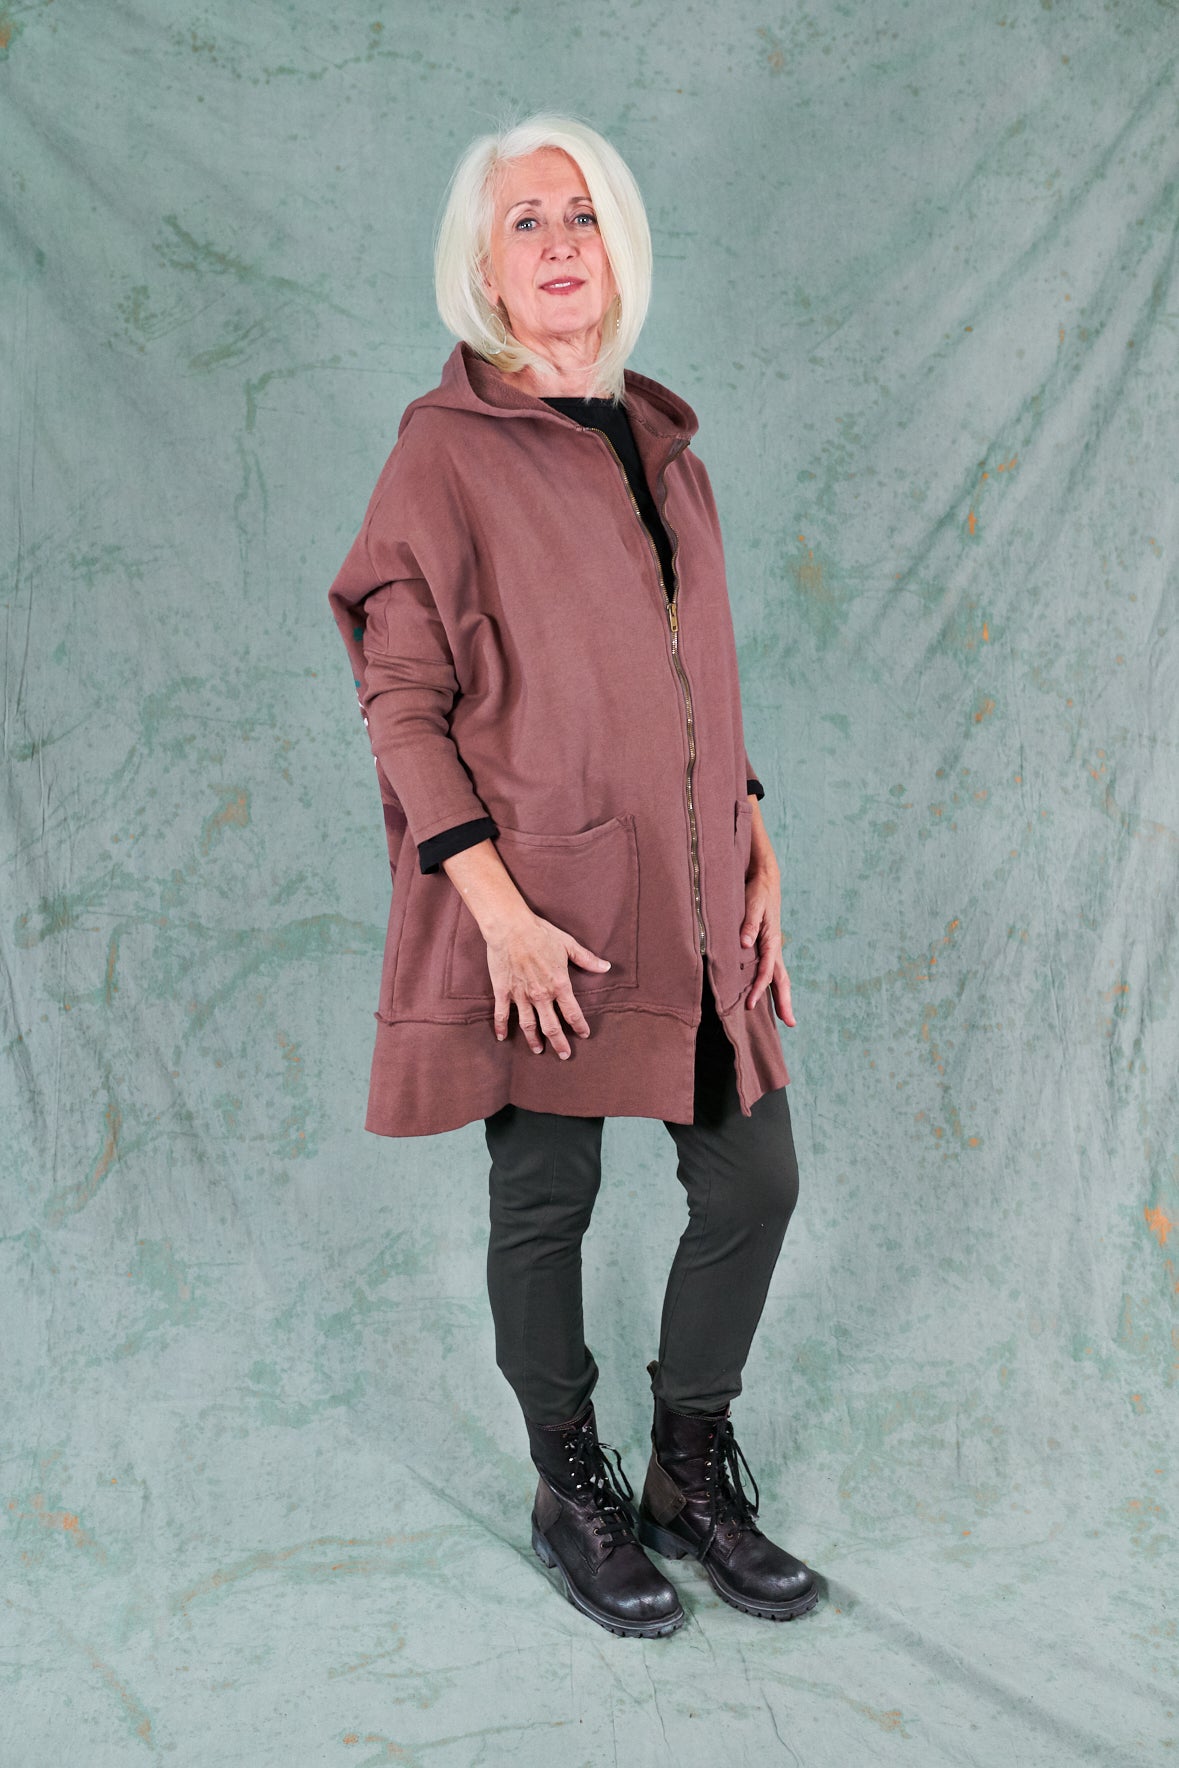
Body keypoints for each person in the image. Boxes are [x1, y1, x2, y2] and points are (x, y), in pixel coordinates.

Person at [327, 111, 818, 1638]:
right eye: (525, 222)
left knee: (755, 1178)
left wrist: (754, 829)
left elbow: (691, 677)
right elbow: (399, 701)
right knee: (547, 1195)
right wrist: (499, 916)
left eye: (582, 216)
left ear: (620, 250)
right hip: (542, 909)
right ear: (484, 266)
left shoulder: (669, 454)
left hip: (689, 893)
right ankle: (570, 1488)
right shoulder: (444, 453)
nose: (557, 246)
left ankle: (686, 1467)